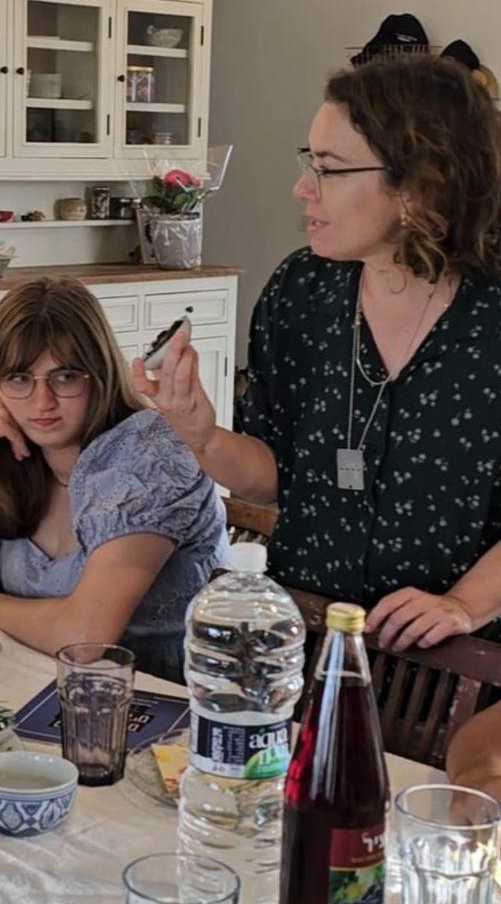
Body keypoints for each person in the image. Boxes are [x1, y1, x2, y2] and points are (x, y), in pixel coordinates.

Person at [135, 56, 501, 650]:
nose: (301, 188)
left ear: (421, 183)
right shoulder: (302, 291)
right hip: (305, 640)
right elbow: (273, 479)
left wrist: (464, 604)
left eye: (327, 169)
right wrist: (200, 433)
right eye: (309, 162)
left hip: (458, 664)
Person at [0, 276, 227, 682]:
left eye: (65, 377)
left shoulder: (147, 454)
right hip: (44, 691)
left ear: (100, 374)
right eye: (19, 378)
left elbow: (87, 638)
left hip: (175, 707)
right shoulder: (12, 451)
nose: (42, 403)